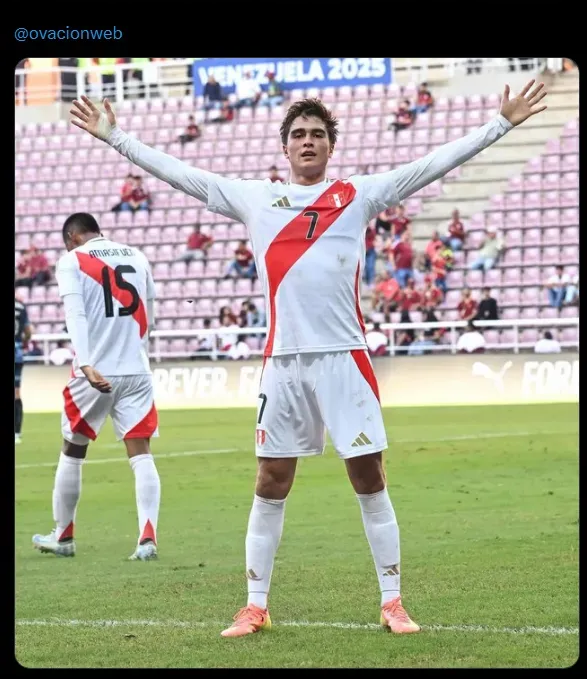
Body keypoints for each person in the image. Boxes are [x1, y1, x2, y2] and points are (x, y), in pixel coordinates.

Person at [69, 79, 547, 637]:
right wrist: (116, 138)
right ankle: (255, 605)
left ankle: (392, 601)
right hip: (284, 363)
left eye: (317, 134)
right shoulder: (256, 200)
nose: (307, 142)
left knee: (369, 477)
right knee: (271, 479)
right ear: (285, 146)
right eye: (298, 134)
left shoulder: (358, 194)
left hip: (345, 360)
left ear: (330, 145)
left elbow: (430, 165)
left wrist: (501, 125)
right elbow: (183, 174)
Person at [31, 213, 161, 562]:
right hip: (136, 370)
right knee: (141, 452)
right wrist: (141, 356)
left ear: (72, 237)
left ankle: (63, 535)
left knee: (73, 448)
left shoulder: (72, 261)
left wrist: (86, 363)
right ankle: (147, 538)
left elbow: (75, 313)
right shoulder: (136, 255)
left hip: (95, 371)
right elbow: (150, 309)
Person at [15, 292, 32, 444]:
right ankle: (17, 432)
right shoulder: (20, 307)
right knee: (16, 394)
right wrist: (24, 342)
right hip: (17, 352)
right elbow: (28, 331)